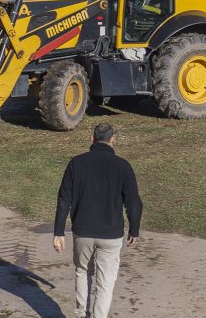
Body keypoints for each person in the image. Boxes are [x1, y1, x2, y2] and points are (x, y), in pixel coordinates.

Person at [53, 123, 142, 318]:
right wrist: (134, 230)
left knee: (82, 271)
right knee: (105, 282)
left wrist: (59, 232)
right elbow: (134, 203)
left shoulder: (76, 163)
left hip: (82, 231)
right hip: (111, 236)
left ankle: (80, 313)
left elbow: (64, 199)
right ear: (113, 139)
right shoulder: (123, 166)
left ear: (91, 139)